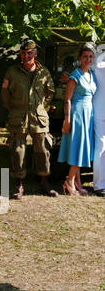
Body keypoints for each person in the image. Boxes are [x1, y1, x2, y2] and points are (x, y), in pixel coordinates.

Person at [1, 38, 58, 199]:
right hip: (18, 115)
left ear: (35, 53)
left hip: (38, 117)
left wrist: (41, 107)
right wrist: (12, 108)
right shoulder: (12, 71)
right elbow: (5, 93)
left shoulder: (43, 72)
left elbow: (50, 92)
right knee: (17, 150)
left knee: (43, 149)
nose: (26, 56)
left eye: (29, 53)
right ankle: (18, 184)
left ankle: (44, 181)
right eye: (23, 53)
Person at [58, 43, 97, 195]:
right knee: (78, 148)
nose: (88, 59)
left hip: (89, 115)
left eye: (90, 56)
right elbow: (67, 99)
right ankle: (69, 182)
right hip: (78, 115)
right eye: (85, 56)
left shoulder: (91, 74)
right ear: (80, 58)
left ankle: (77, 182)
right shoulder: (75, 75)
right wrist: (67, 120)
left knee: (81, 148)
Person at [92, 45, 105, 197]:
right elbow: (81, 67)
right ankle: (100, 185)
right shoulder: (97, 57)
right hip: (99, 109)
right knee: (101, 146)